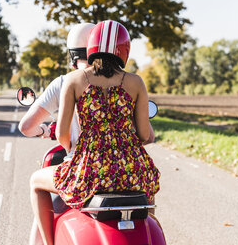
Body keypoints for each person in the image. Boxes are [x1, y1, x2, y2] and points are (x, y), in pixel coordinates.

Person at [29, 20, 160, 245]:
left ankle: (49, 243)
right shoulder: (136, 82)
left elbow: (62, 134)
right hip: (132, 173)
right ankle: (148, 227)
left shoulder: (73, 80)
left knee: (35, 181)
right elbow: (145, 136)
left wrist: (75, 152)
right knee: (147, 187)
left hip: (90, 174)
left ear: (90, 48)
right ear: (124, 50)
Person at [19, 23, 95, 245]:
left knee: (37, 184)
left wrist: (44, 130)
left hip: (81, 170)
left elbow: (26, 127)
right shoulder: (124, 82)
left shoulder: (65, 82)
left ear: (73, 54)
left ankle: (46, 242)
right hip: (119, 169)